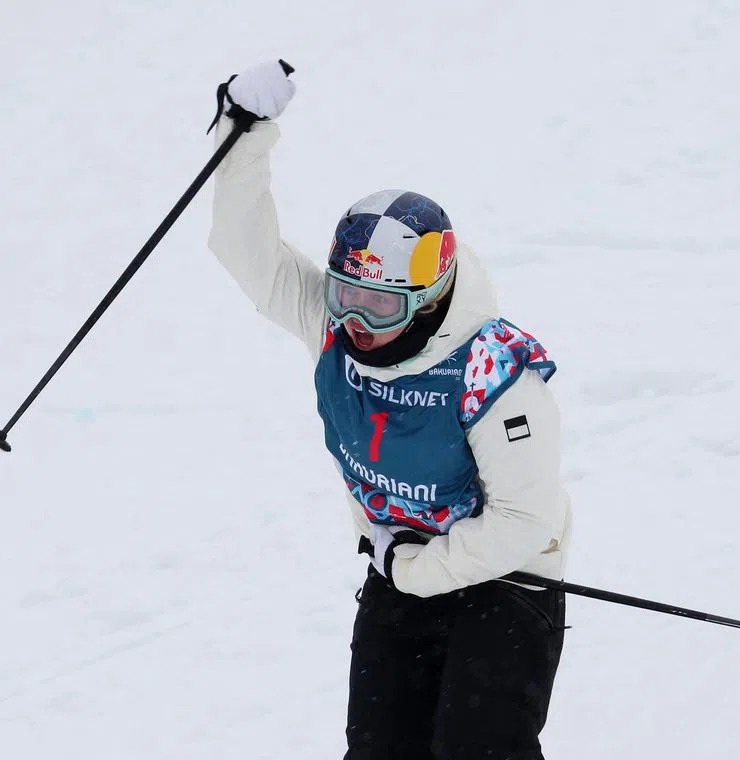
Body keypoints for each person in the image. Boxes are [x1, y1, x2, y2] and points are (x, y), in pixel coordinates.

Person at [207, 60, 573, 760]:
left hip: (507, 577)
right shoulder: (331, 326)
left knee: (477, 747)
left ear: (430, 298)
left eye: (381, 304)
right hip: (398, 565)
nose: (356, 321)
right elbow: (245, 253)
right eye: (345, 292)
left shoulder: (495, 374)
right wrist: (241, 137)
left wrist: (411, 570)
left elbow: (525, 523)